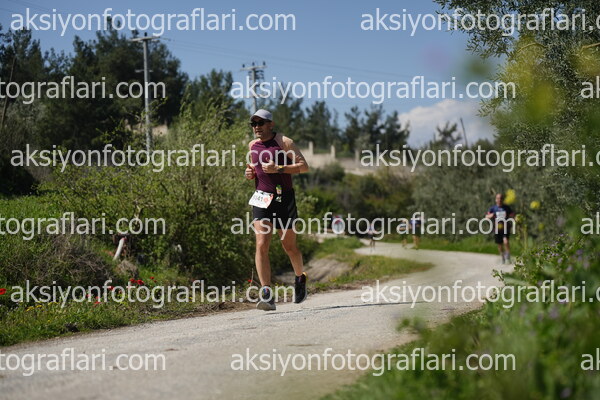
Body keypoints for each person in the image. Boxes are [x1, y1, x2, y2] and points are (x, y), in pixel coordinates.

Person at [244, 109, 310, 311]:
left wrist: (279, 168)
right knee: (261, 244)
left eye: (260, 123)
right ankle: (266, 293)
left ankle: (300, 278)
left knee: (289, 246)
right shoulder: (252, 145)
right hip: (262, 198)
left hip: (284, 199)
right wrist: (250, 173)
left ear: (270, 124)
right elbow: (255, 169)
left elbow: (303, 166)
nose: (256, 127)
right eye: (254, 124)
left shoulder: (284, 142)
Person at [486, 193, 516, 264]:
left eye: (501, 198)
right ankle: (502, 256)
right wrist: (491, 215)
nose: (499, 200)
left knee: (506, 241)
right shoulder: (493, 208)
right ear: (496, 199)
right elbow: (486, 216)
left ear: (503, 199)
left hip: (505, 228)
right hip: (497, 229)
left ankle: (508, 256)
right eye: (498, 198)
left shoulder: (506, 207)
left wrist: (513, 217)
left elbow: (512, 214)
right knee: (499, 244)